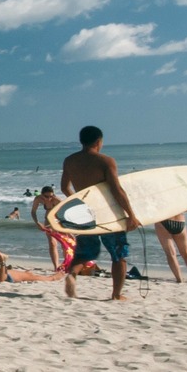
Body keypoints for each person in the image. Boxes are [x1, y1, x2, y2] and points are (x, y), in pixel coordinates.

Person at [60, 125, 139, 301]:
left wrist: (80, 202)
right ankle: (116, 294)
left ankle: (72, 274)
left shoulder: (70, 161)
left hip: (85, 214)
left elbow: (64, 187)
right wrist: (131, 215)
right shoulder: (105, 161)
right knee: (118, 255)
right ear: (98, 141)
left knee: (85, 253)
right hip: (108, 214)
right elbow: (117, 190)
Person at [28, 186, 70, 268]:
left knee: (64, 242)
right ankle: (56, 266)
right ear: (42, 195)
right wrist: (37, 223)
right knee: (52, 243)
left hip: (59, 220)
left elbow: (66, 212)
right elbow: (33, 212)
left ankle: (67, 264)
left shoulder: (57, 200)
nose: (49, 198)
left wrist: (68, 226)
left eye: (51, 196)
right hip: (48, 220)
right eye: (46, 196)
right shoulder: (38, 199)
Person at [154, 214, 187, 284]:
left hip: (163, 221)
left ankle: (179, 279)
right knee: (186, 253)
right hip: (180, 221)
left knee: (171, 254)